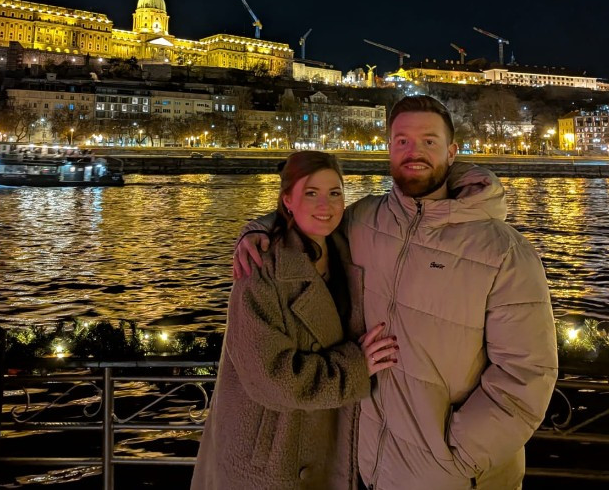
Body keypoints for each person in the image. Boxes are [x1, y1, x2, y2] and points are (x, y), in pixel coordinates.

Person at [234, 96, 558, 490]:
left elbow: (526, 374)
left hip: (455, 478)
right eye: (402, 141)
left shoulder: (505, 251)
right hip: (369, 469)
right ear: (389, 148)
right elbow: (312, 215)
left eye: (429, 141)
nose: (413, 152)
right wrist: (260, 229)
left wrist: (458, 457)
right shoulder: (364, 219)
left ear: (452, 151)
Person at [192, 151, 398, 490]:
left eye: (335, 193)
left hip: (329, 442)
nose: (325, 205)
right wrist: (355, 368)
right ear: (287, 200)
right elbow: (271, 378)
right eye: (311, 193)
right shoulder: (261, 268)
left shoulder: (350, 247)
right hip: (272, 457)